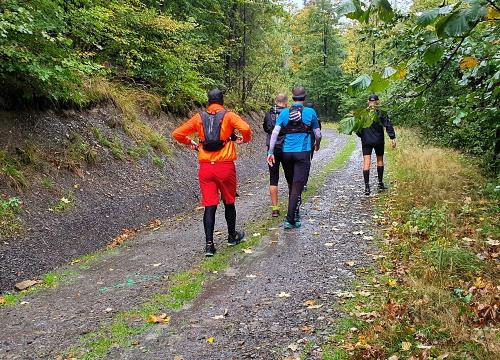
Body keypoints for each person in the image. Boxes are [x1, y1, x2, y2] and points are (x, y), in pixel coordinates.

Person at [172, 89, 252, 256]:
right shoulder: (229, 116)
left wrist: (190, 142)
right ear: (222, 100)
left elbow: (177, 133)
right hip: (225, 167)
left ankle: (209, 245)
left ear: (208, 101)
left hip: (206, 168)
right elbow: (245, 128)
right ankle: (231, 236)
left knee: (209, 204)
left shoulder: (199, 118)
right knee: (229, 201)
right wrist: (245, 139)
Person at [266, 86, 321, 229]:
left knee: (292, 183)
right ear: (304, 97)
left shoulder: (284, 113)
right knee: (297, 185)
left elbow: (274, 133)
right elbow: (318, 133)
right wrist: (317, 144)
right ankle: (290, 218)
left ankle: (295, 214)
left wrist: (270, 152)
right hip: (302, 153)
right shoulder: (310, 112)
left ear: (293, 98)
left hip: (286, 154)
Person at [356, 94, 396, 196]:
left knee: (366, 162)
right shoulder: (381, 112)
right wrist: (392, 137)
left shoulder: (362, 113)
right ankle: (380, 183)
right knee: (380, 160)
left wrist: (362, 136)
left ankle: (367, 187)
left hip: (366, 141)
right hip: (378, 140)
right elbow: (388, 124)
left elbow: (356, 128)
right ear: (378, 102)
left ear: (368, 101)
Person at [263, 93, 288, 217]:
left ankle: (275, 209)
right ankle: (292, 205)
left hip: (272, 149)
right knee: (290, 176)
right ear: (286, 102)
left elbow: (266, 129)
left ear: (275, 101)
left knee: (273, 178)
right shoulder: (288, 114)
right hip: (286, 147)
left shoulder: (268, 114)